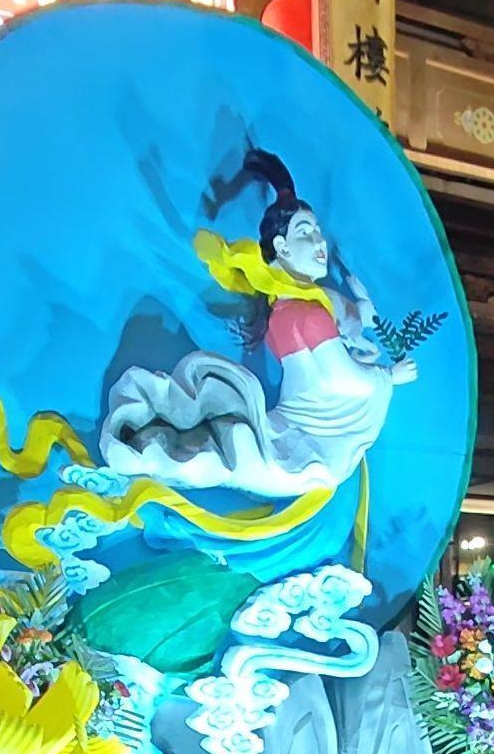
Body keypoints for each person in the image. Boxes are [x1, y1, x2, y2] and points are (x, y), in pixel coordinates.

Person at [99, 150, 416, 501]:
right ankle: (138, 454)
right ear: (282, 247)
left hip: (299, 436)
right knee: (224, 453)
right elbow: (341, 379)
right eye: (305, 233)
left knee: (222, 447)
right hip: (309, 447)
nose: (319, 243)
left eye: (318, 232)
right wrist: (389, 376)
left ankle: (141, 452)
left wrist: (358, 324)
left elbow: (333, 348)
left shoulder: (291, 307)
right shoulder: (307, 313)